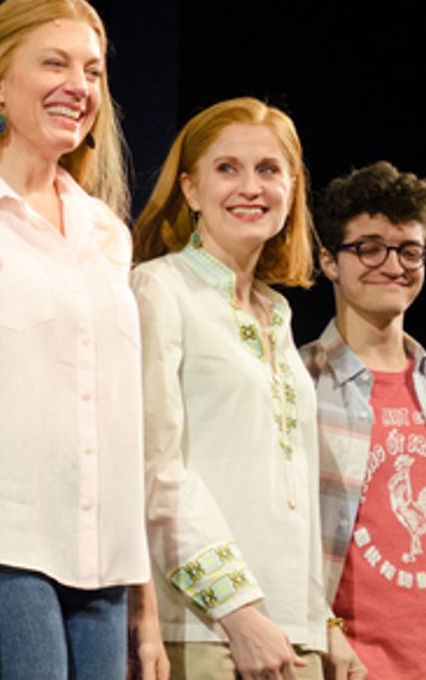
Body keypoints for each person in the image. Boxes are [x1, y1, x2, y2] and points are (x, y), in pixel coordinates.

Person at [0, 0, 162, 679]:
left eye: (93, 71)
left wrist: (147, 601)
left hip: (101, 559)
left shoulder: (107, 232)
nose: (78, 86)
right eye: (54, 64)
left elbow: (118, 416)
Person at [130, 98, 365, 680]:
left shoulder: (278, 315)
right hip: (207, 630)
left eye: (269, 170)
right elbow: (155, 470)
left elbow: (291, 493)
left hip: (294, 634)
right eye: (227, 168)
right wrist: (239, 613)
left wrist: (322, 624)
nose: (250, 187)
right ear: (190, 189)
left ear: (292, 188)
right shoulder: (159, 290)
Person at [300, 161, 426, 680]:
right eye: (369, 247)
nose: (393, 264)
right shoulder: (298, 381)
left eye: (409, 250)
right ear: (328, 259)